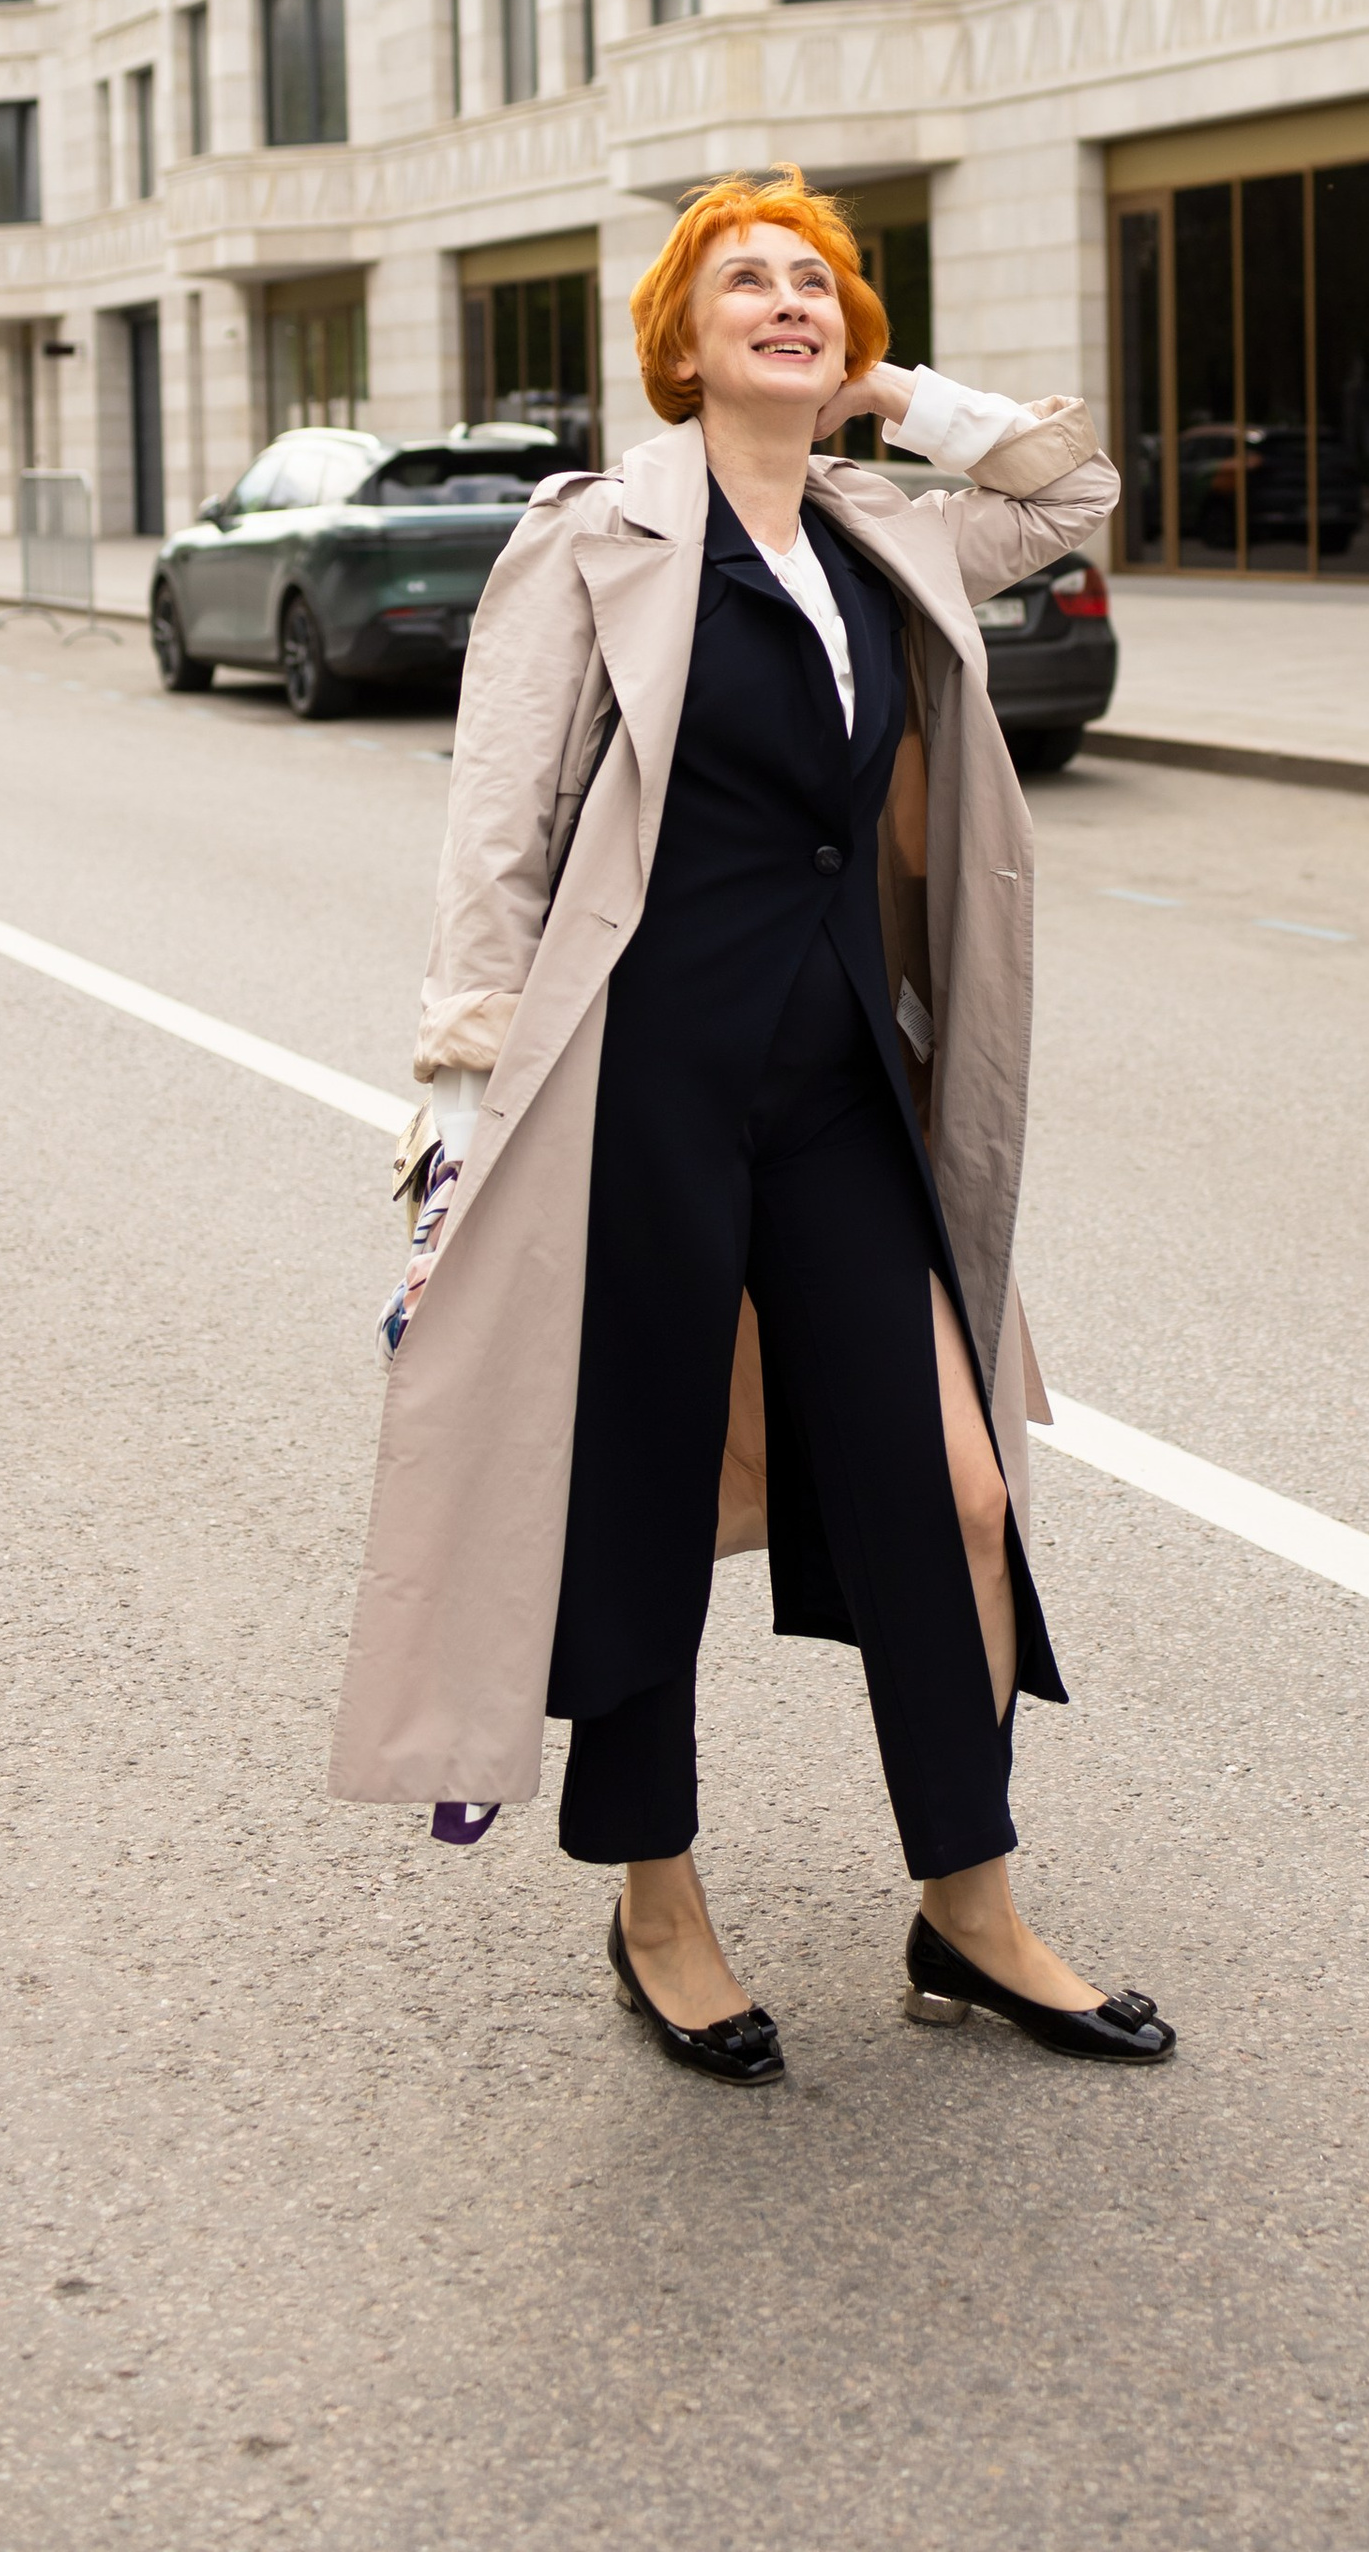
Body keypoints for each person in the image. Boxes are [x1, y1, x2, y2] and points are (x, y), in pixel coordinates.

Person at [331, 169, 1175, 2083]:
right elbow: (502, 828)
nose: (787, 306)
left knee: (955, 1489)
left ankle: (969, 1906)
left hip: (837, 1084)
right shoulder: (592, 539)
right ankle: (657, 1903)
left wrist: (900, 398)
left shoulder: (883, 532)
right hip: (636, 1082)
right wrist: (455, 1120)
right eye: (747, 287)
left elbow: (1066, 495)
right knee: (631, 1506)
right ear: (681, 342)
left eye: (817, 286)